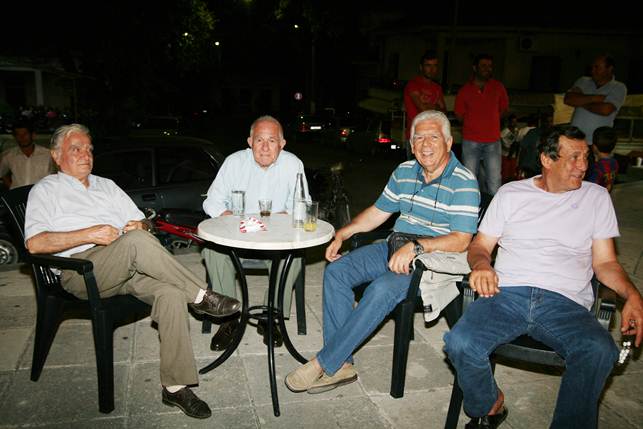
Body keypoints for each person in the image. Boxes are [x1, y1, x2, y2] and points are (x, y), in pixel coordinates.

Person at [24, 124, 241, 419]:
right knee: (137, 243)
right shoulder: (46, 190)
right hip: (80, 270)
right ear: (56, 155)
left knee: (170, 292)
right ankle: (203, 297)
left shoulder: (106, 185)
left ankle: (175, 387)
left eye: (89, 149)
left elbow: (145, 224)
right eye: (76, 149)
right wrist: (89, 234)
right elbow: (35, 243)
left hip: (125, 266)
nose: (86, 155)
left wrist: (142, 225)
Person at [443, 125, 643, 429]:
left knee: (599, 350)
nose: (583, 166)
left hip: (565, 302)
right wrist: (482, 265)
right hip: (506, 295)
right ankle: (490, 403)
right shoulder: (511, 193)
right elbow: (480, 246)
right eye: (573, 157)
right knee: (460, 342)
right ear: (547, 160)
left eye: (586, 157)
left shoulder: (597, 198)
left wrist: (632, 295)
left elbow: (605, 263)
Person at [285, 110, 480, 394]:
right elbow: (378, 212)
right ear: (411, 144)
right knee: (337, 271)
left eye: (433, 137)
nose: (425, 144)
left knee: (381, 289)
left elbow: (462, 240)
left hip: (435, 258)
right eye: (419, 138)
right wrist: (343, 233)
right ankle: (343, 363)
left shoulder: (463, 181)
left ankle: (324, 362)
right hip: (397, 245)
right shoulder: (405, 171)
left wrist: (418, 247)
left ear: (449, 142)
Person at [202, 115, 309, 351]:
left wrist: (283, 217)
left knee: (294, 257)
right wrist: (227, 215)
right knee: (212, 251)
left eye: (272, 140)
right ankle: (229, 318)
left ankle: (270, 315)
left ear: (282, 144)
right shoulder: (234, 163)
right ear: (250, 141)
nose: (265, 147)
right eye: (259, 140)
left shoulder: (293, 165)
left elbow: (303, 204)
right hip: (236, 239)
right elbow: (211, 201)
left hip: (277, 241)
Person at [455, 53, 509, 195]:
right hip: (470, 141)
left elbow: (504, 110)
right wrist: (474, 124)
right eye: (483, 66)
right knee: (469, 180)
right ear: (475, 68)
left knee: (495, 180)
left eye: (490, 66)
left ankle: (494, 208)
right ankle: (469, 206)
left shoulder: (498, 87)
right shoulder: (465, 90)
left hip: (493, 141)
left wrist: (491, 121)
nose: (487, 69)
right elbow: (459, 115)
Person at [564, 54, 627, 145]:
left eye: (597, 67)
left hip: (598, 143)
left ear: (609, 69)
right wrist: (596, 98)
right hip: (574, 139)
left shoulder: (619, 87)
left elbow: (606, 110)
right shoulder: (582, 81)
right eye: (592, 67)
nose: (592, 70)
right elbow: (568, 99)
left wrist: (580, 100)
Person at [403, 50, 447, 159]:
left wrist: (430, 107)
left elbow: (444, 112)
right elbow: (423, 109)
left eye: (434, 66)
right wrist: (436, 107)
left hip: (434, 137)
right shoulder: (413, 85)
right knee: (415, 169)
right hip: (416, 136)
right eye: (428, 65)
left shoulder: (437, 88)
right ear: (421, 67)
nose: (432, 69)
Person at [0, 119, 54, 189]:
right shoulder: (8, 155)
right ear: (15, 137)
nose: (22, 137)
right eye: (18, 134)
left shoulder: (47, 154)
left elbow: (56, 174)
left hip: (41, 193)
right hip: (18, 194)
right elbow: (2, 173)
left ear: (33, 135)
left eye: (25, 134)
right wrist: (12, 188)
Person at [517, 112, 553, 178]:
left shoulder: (552, 135)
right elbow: (523, 150)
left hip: (545, 169)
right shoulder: (533, 133)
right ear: (542, 122)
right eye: (546, 121)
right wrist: (520, 166)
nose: (548, 124)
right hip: (531, 169)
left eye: (551, 121)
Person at [585, 126, 619, 192]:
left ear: (594, 147)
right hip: (606, 194)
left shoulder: (597, 168)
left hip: (596, 196)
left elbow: (590, 186)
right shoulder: (615, 163)